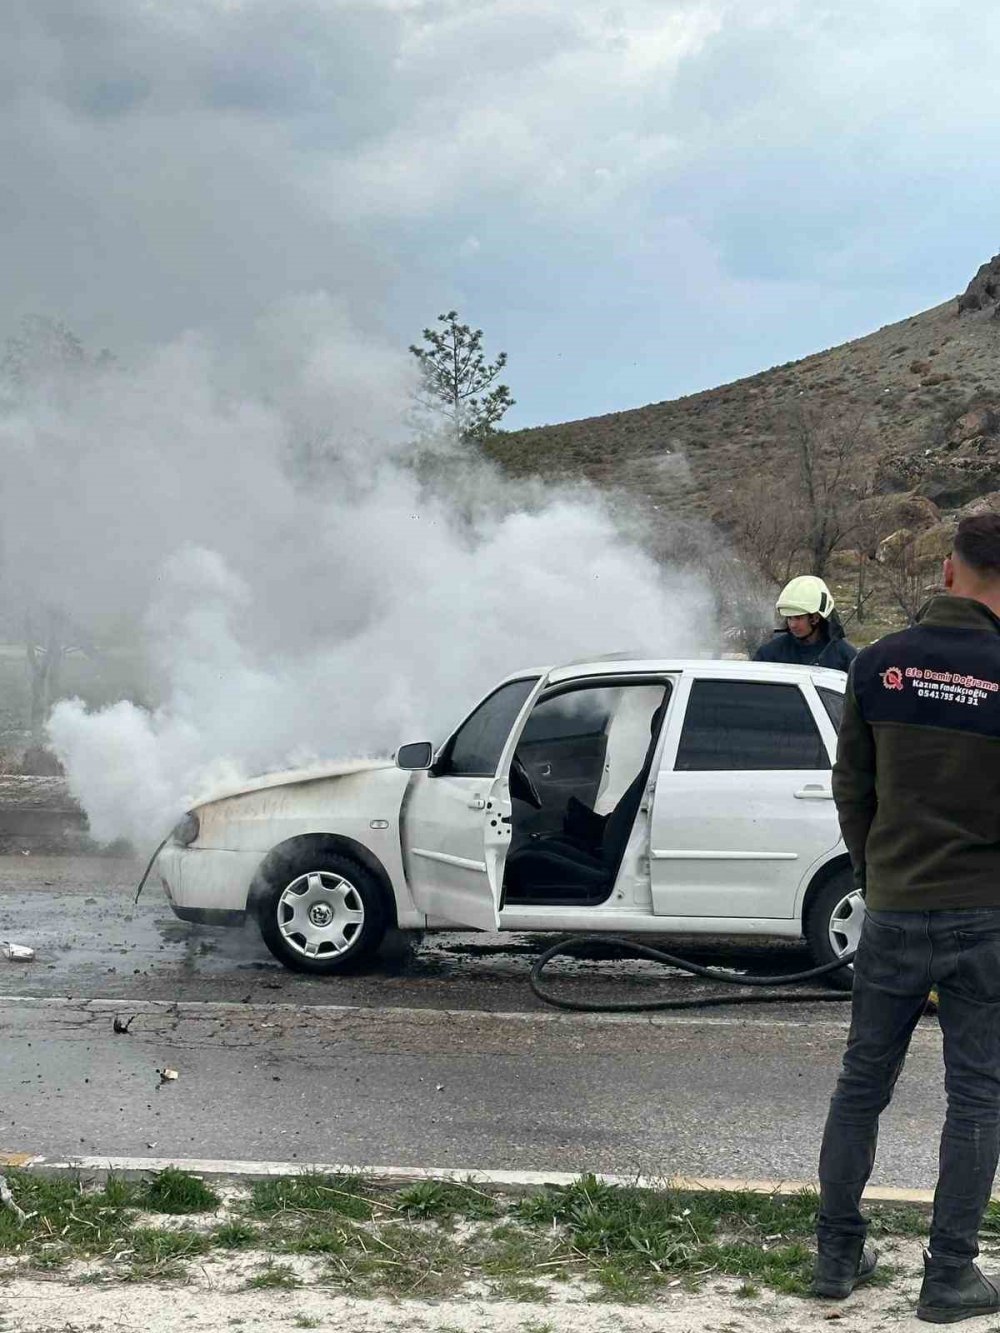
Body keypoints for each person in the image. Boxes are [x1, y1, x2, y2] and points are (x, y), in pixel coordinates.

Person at [813, 514, 1000, 1322]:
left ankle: (835, 1253)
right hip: (986, 919)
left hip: (892, 910)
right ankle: (949, 1274)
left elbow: (850, 787)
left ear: (951, 572)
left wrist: (873, 873)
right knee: (979, 1097)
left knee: (861, 1085)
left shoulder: (878, 664)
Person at [754, 575, 857, 672]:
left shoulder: (844, 657)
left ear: (815, 618)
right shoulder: (769, 654)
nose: (793, 625)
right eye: (789, 618)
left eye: (798, 618)